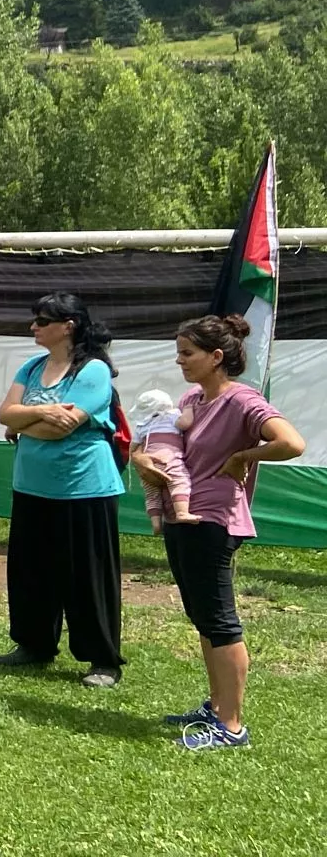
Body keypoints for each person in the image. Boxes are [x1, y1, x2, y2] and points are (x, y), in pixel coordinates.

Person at [143, 314, 306, 751]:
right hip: (182, 517)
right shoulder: (192, 398)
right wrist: (144, 459)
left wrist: (243, 457)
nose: (179, 361)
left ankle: (231, 727)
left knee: (219, 620)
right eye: (178, 352)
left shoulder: (242, 401)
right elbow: (169, 446)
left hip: (214, 521)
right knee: (203, 617)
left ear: (216, 357)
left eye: (187, 353)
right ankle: (216, 708)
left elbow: (291, 442)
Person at [0, 291, 127, 688]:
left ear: (68, 326)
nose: (33, 326)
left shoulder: (94, 370)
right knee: (31, 571)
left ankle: (103, 660)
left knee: (88, 577)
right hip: (31, 487)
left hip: (83, 489)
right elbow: (5, 414)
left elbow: (63, 428)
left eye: (42, 320)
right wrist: (39, 413)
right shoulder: (32, 367)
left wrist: (22, 423)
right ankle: (34, 644)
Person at [127, 389, 199, 527]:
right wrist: (188, 409)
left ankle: (156, 523)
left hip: (149, 461)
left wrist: (134, 457)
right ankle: (182, 512)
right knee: (179, 482)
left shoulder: (142, 425)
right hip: (169, 459)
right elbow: (185, 423)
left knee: (152, 493)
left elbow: (133, 446)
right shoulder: (171, 415)